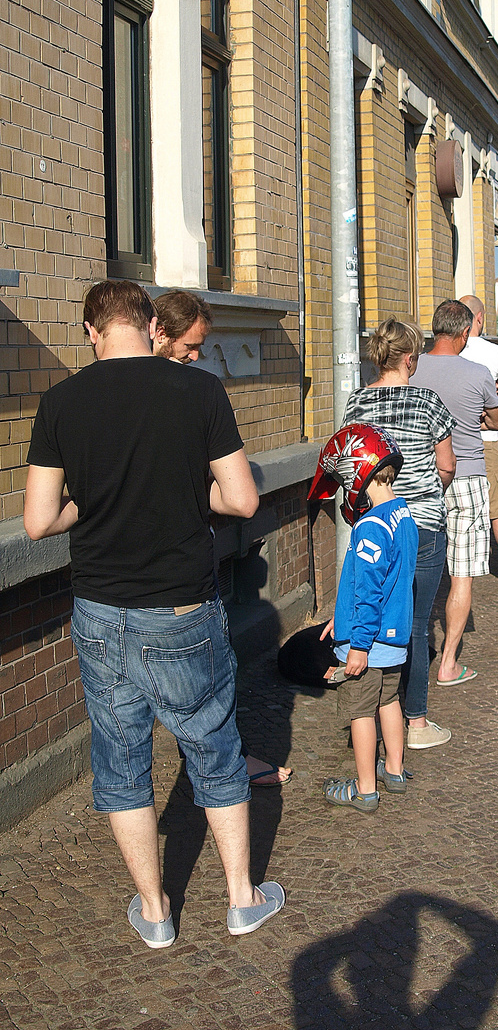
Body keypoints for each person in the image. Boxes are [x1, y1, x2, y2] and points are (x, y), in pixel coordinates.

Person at [24, 280, 284, 948]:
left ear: (91, 332)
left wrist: (95, 502)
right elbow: (244, 500)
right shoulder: (198, 391)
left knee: (119, 758)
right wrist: (185, 490)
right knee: (213, 742)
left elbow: (38, 521)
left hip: (100, 611)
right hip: (180, 606)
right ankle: (240, 899)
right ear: (147, 324)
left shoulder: (59, 402)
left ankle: (156, 911)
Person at [152, 289, 292, 789]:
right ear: (157, 332)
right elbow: (239, 500)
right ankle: (224, 770)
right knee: (211, 680)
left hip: (113, 586)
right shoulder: (198, 393)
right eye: (190, 345)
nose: (197, 356)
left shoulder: (96, 393)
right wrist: (203, 491)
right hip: (182, 570)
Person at [341, 317, 456, 749]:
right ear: (409, 359)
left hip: (373, 524)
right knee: (416, 623)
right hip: (421, 524)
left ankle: (366, 719)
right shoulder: (427, 401)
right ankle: (416, 723)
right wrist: (425, 492)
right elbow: (447, 465)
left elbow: (349, 464)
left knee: (369, 617)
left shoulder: (355, 404)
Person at [309, 425, 418, 812]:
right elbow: (389, 581)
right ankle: (394, 770)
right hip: (395, 637)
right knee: (389, 700)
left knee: (359, 710)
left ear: (358, 472)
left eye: (343, 479)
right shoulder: (402, 514)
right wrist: (342, 617)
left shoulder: (370, 526)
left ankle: (365, 789)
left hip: (369, 643)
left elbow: (369, 591)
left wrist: (356, 644)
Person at [411, 300, 498, 685]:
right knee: (461, 574)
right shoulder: (478, 372)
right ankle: (448, 662)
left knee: (413, 566)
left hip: (419, 478)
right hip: (465, 478)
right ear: (465, 333)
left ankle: (408, 648)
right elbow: (495, 417)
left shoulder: (411, 366)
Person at [458, 294, 498, 590]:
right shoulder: (491, 351)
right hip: (486, 438)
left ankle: (454, 567)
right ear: (479, 318)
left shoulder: (444, 352)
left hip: (453, 439)